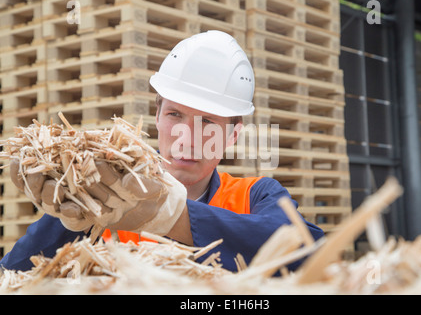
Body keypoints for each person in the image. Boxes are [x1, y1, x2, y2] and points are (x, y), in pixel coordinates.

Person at [0, 30, 323, 273]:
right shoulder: (106, 193)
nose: (187, 136)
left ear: (232, 135)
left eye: (208, 121)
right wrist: (63, 219)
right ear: (156, 117)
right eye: (175, 115)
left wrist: (169, 215)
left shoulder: (254, 195)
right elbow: (13, 274)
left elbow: (309, 250)